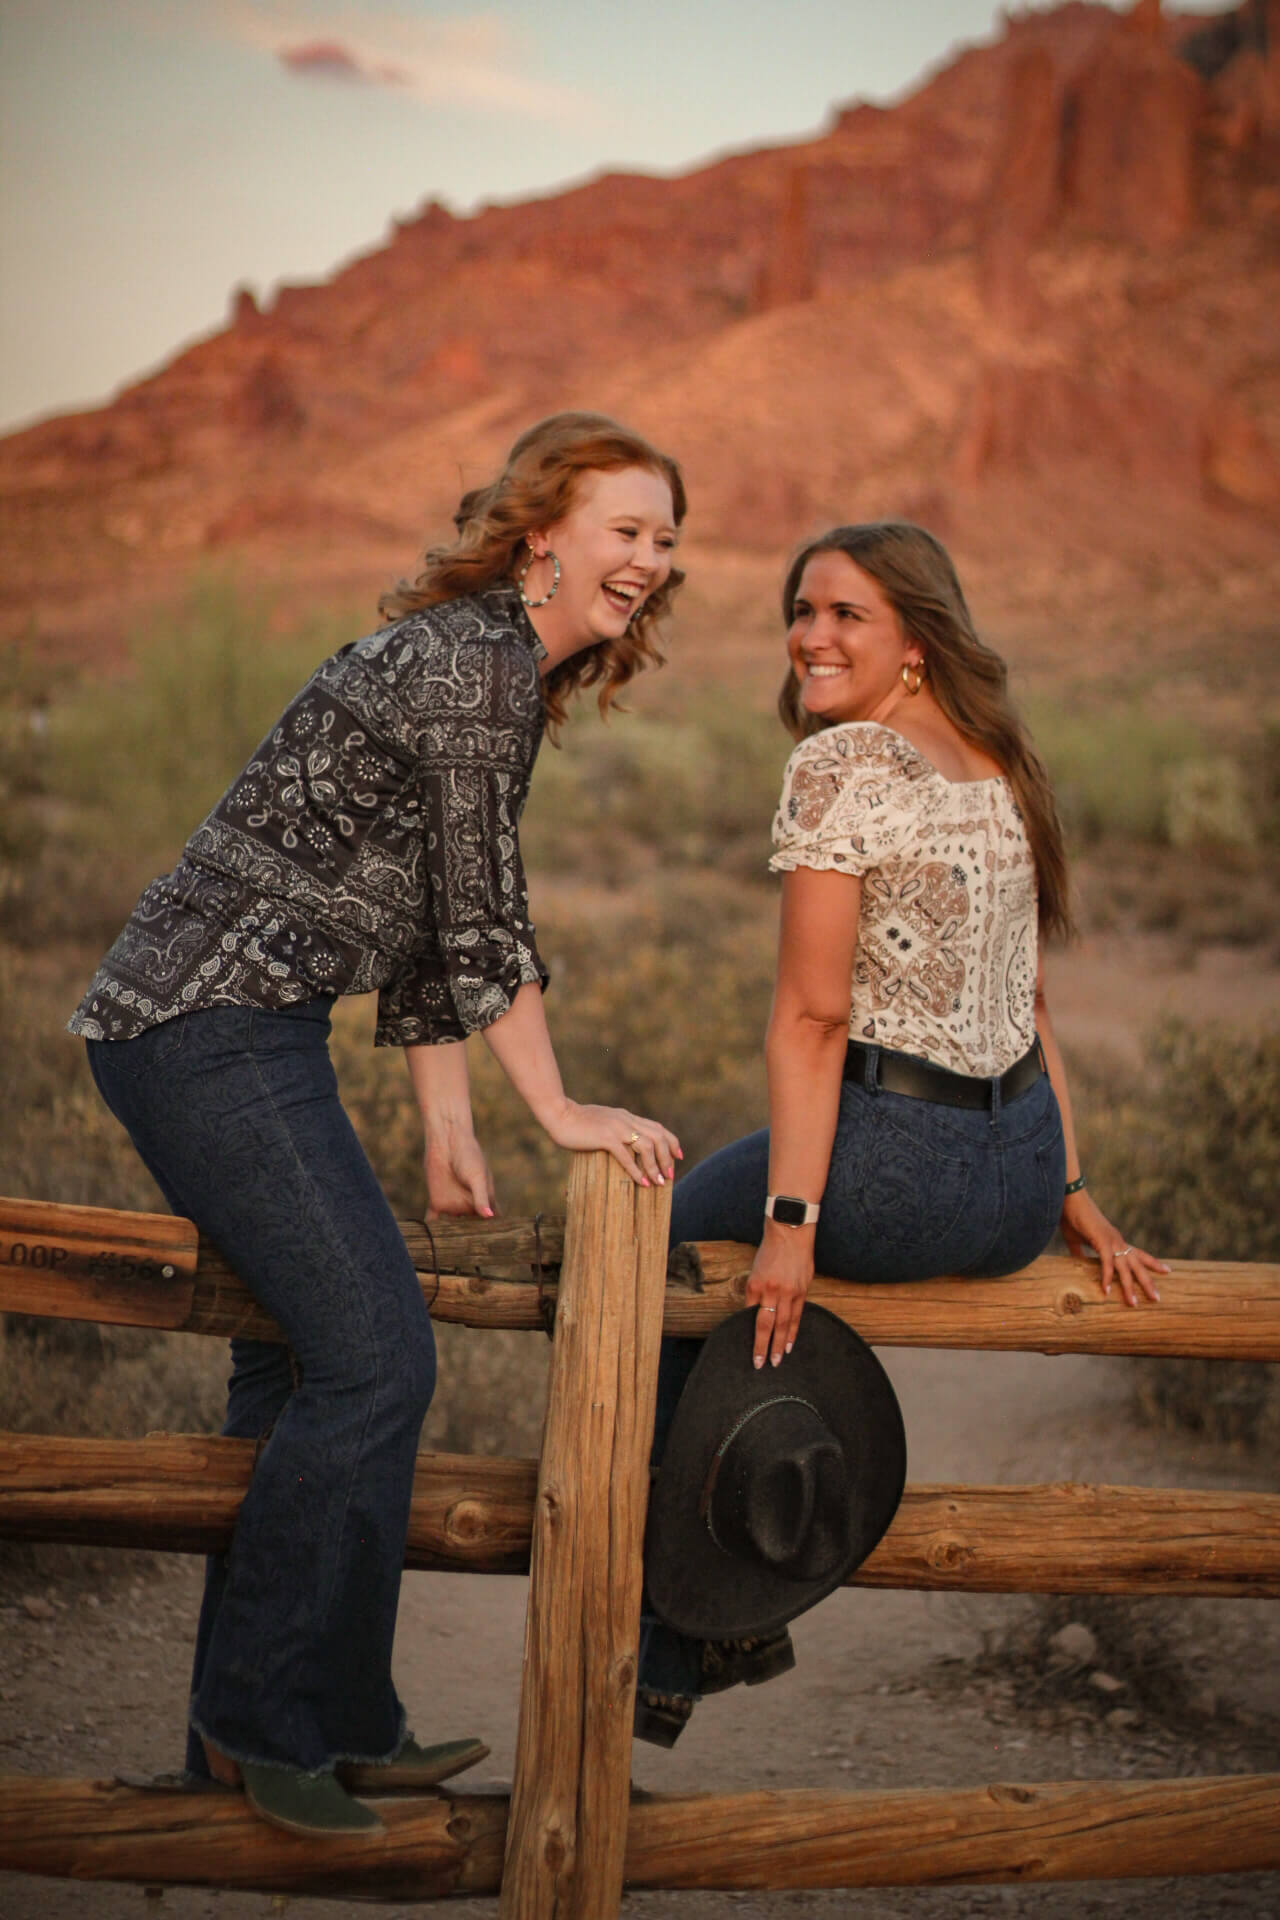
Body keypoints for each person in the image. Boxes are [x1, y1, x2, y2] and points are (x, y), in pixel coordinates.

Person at [68, 411, 685, 1834]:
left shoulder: (497, 670)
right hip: (201, 1025)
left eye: (666, 538)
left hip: (239, 1028)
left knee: (301, 1374)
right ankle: (260, 1721)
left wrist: (448, 1117)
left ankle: (324, 1723)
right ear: (544, 536)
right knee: (376, 1361)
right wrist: (558, 1105)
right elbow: (481, 919)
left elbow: (417, 918)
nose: (650, 558)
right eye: (625, 528)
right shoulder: (479, 666)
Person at [635, 519, 1167, 1746]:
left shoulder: (843, 768)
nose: (810, 636)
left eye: (844, 616)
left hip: (901, 1178)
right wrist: (1071, 1194)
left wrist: (788, 1228)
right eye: (801, 610)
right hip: (1012, 1186)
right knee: (722, 1228)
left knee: (665, 1247)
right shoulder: (998, 762)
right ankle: (708, 1611)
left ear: (914, 643)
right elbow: (1029, 1014)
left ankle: (693, 1622)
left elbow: (813, 1021)